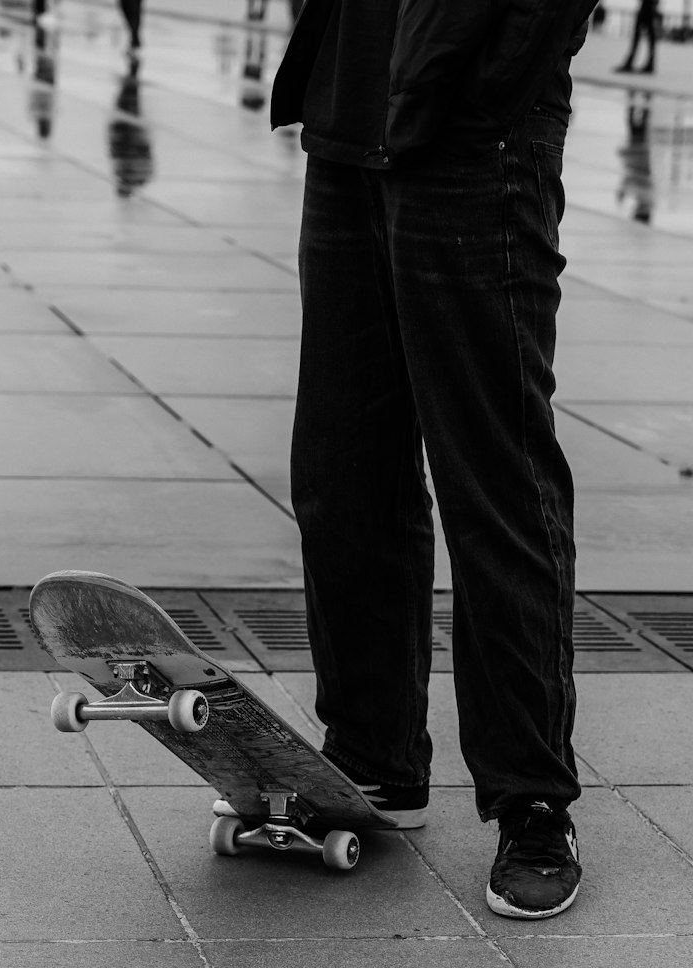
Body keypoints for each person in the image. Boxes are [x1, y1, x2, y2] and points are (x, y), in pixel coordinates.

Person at [271, 0, 597, 919]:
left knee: (495, 477)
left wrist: (490, 90)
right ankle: (372, 760)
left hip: (473, 141)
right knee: (345, 470)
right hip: (350, 125)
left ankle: (533, 801)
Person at [615, 0, 661, 73]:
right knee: (649, 37)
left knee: (640, 35)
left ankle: (632, 62)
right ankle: (649, 63)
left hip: (647, 7)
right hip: (649, 7)